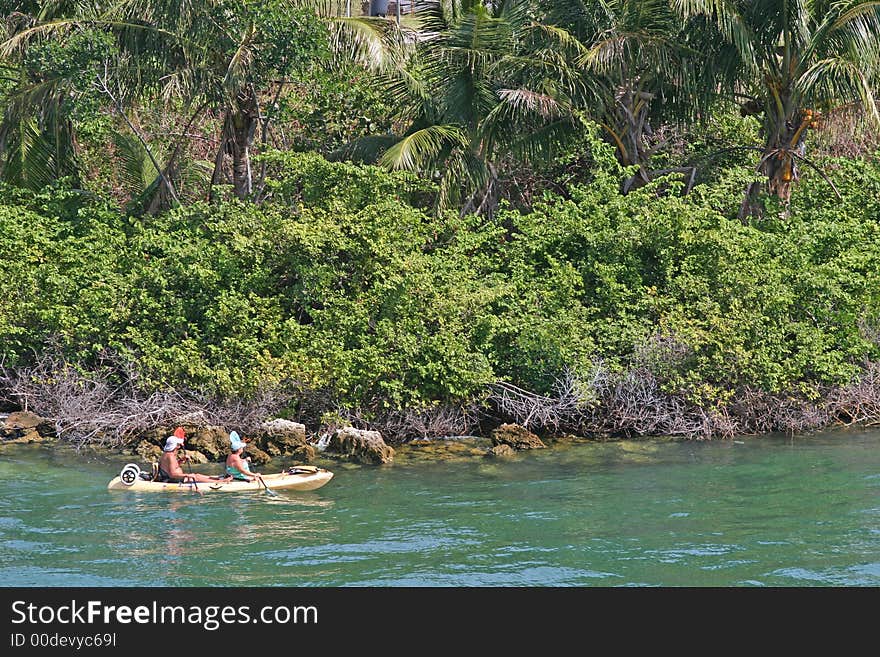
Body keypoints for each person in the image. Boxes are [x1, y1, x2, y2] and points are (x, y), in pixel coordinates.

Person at [156, 427, 231, 483]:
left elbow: (173, 467)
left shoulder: (166, 454)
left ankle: (217, 478)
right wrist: (187, 475)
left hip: (176, 478)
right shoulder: (170, 456)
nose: (179, 447)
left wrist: (182, 460)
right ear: (174, 446)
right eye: (178, 445)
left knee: (196, 475)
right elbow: (172, 474)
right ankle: (220, 482)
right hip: (174, 480)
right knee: (195, 477)